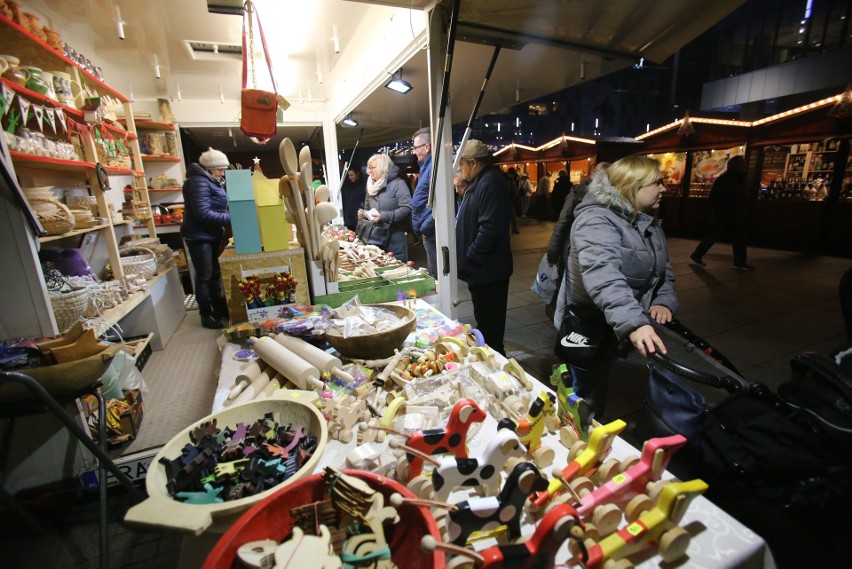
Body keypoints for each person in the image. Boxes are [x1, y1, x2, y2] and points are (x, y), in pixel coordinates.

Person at [556, 156, 678, 420]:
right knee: (584, 395)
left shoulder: (648, 222)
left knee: (600, 380)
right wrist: (634, 323)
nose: (663, 188)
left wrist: (663, 301)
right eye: (657, 182)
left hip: (615, 321)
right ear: (633, 185)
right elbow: (603, 275)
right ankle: (577, 445)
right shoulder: (596, 221)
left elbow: (663, 270)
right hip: (588, 324)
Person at [455, 140, 513, 355]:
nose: (460, 169)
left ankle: (497, 363)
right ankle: (492, 355)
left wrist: (471, 256)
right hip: (481, 271)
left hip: (488, 271)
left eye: (461, 164)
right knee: (486, 321)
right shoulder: (481, 181)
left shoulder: (490, 183)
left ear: (472, 162)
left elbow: (490, 229)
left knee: (491, 326)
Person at [547, 163, 609, 322]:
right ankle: (563, 320)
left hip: (594, 250)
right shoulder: (578, 193)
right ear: (592, 174)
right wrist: (553, 252)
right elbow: (562, 222)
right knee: (567, 286)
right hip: (571, 249)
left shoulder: (612, 195)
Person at [180, 147, 232, 329]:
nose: (222, 173)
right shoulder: (198, 182)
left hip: (209, 235)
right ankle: (206, 313)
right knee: (205, 275)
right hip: (199, 236)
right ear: (210, 169)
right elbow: (203, 214)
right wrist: (233, 219)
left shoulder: (210, 181)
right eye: (220, 169)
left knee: (214, 274)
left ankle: (218, 308)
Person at [690, 155, 753, 270]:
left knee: (723, 236)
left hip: (726, 213)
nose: (745, 166)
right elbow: (718, 198)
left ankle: (697, 255)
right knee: (734, 237)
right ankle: (739, 262)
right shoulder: (732, 180)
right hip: (727, 213)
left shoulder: (728, 179)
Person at [359, 153, 411, 261]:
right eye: (369, 167)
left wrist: (383, 216)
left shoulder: (398, 184)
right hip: (375, 239)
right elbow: (367, 208)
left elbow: (407, 208)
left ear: (382, 167)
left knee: (396, 272)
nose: (369, 171)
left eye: (372, 167)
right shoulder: (371, 186)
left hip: (395, 239)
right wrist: (363, 214)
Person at [410, 127, 437, 277]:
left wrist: (425, 226)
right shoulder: (426, 166)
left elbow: (439, 202)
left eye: (416, 147)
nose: (414, 152)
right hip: (427, 229)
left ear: (427, 147)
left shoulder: (433, 167)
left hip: (431, 230)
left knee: (436, 274)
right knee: (433, 271)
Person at [340, 165, 366, 232]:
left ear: (357, 173)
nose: (350, 177)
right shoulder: (347, 186)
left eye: (352, 175)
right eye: (349, 175)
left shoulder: (363, 186)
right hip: (349, 219)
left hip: (359, 218)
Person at [505, 167, 520, 234]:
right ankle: (512, 229)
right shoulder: (507, 181)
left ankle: (514, 229)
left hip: (510, 200)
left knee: (512, 216)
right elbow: (509, 191)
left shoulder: (510, 180)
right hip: (508, 201)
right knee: (511, 216)